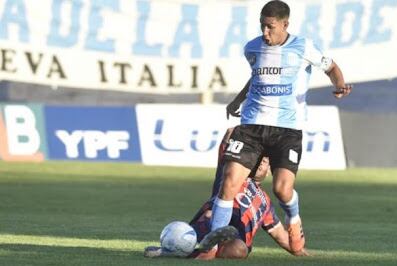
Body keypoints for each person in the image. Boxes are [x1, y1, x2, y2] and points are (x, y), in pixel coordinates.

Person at [209, 0, 352, 256]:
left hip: (287, 129)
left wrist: (340, 85)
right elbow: (258, 77)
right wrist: (238, 100)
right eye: (262, 26)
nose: (265, 33)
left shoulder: (303, 46)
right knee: (229, 181)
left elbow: (331, 67)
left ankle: (294, 220)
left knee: (281, 189)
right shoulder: (252, 47)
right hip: (251, 125)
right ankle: (213, 244)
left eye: (270, 27)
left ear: (285, 24)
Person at [144, 128, 306, 260]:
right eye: (260, 158)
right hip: (207, 227)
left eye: (266, 161)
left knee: (239, 249)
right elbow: (230, 134)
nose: (263, 162)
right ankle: (199, 247)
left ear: (270, 170)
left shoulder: (266, 203)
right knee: (200, 221)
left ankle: (193, 253)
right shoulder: (231, 175)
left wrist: (300, 251)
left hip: (235, 241)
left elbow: (279, 234)